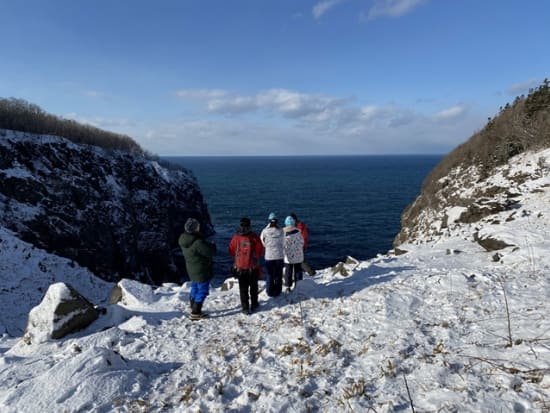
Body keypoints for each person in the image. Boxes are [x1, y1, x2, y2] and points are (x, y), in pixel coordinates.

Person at [178, 217, 216, 320]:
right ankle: (196, 312)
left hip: (191, 268)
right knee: (202, 290)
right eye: (197, 226)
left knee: (195, 286)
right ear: (195, 228)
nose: (199, 227)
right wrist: (212, 246)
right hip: (201, 269)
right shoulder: (197, 242)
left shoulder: (183, 239)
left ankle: (192, 305)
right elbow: (211, 252)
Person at [228, 217, 264, 314]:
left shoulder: (236, 237)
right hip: (253, 267)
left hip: (240, 267)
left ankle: (245, 307)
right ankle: (254, 304)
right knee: (253, 287)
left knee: (243, 289)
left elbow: (231, 251)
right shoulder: (254, 237)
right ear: (249, 225)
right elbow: (260, 251)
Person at [260, 212, 284, 297]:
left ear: (269, 221)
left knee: (269, 275)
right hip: (279, 256)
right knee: (278, 275)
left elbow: (262, 242)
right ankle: (278, 291)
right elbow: (284, 243)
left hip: (269, 256)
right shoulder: (281, 231)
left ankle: (270, 292)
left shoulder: (265, 231)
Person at [283, 215, 304, 292]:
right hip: (298, 256)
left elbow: (282, 246)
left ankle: (288, 286)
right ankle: (298, 285)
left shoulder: (283, 234)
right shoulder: (299, 232)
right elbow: (302, 242)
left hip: (288, 257)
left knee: (288, 271)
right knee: (298, 270)